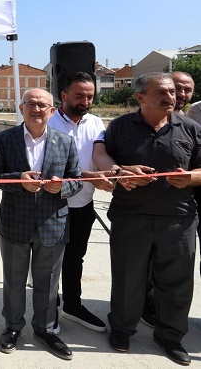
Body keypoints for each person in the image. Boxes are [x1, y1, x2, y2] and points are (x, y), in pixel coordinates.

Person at [100, 72, 201, 366]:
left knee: (176, 282)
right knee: (128, 278)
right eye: (162, 93)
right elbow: (103, 158)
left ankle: (170, 336)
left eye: (172, 92)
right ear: (140, 97)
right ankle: (121, 329)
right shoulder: (120, 126)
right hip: (130, 217)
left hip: (178, 219)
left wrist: (191, 178)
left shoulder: (191, 128)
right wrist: (121, 171)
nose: (171, 97)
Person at [0, 88, 82, 361]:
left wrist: (62, 188)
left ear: (52, 111)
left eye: (43, 105)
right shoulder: (5, 139)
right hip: (15, 222)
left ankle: (46, 329)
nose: (37, 109)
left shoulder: (65, 141)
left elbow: (77, 180)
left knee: (48, 282)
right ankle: (12, 327)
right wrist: (19, 180)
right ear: (21, 108)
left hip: (53, 225)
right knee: (13, 280)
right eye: (31, 104)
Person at [46, 72, 108, 332]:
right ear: (63, 95)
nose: (85, 101)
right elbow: (48, 168)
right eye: (79, 95)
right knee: (49, 263)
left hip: (83, 204)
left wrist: (114, 173)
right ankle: (48, 310)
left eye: (90, 96)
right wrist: (91, 176)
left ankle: (72, 305)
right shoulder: (48, 122)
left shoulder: (96, 122)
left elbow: (100, 155)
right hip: (53, 205)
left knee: (75, 259)